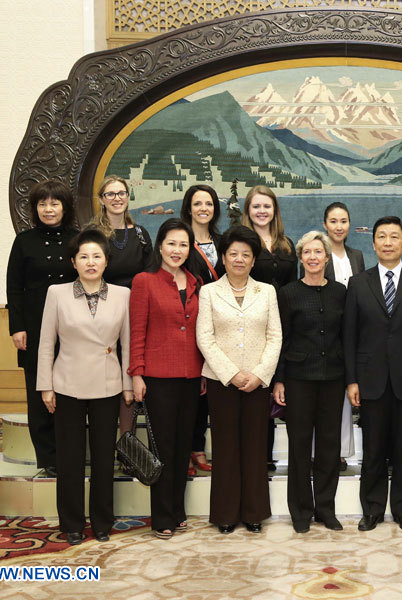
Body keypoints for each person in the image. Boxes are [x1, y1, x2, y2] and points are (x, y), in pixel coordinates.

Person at [36, 228, 132, 545]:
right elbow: (47, 343)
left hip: (108, 383)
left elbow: (127, 346)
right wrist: (45, 385)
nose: (91, 262)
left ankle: (102, 522)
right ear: (73, 262)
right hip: (67, 383)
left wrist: (128, 385)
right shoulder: (57, 293)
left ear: (106, 261)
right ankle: (72, 523)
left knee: (105, 458)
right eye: (84, 256)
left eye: (97, 256)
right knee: (70, 459)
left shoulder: (122, 295)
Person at [343, 216, 402, 532]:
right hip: (370, 381)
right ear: (373, 244)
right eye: (381, 236)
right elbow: (350, 337)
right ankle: (371, 510)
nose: (387, 242)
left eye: (393, 237)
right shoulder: (358, 283)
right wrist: (352, 380)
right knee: (374, 450)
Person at [196, 225, 281, 534]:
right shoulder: (209, 292)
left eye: (246, 254)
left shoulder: (267, 292)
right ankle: (225, 514)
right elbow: (205, 338)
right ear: (224, 257)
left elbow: (275, 337)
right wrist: (232, 374)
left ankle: (254, 512)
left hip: (258, 384)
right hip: (222, 383)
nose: (240, 259)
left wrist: (258, 375)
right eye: (234, 254)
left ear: (254, 260)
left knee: (255, 447)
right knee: (226, 447)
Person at [128, 219, 203, 540]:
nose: (177, 250)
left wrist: (203, 372)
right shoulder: (144, 281)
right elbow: (136, 331)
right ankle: (161, 516)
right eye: (171, 243)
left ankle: (178, 509)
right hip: (157, 377)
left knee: (183, 447)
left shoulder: (196, 281)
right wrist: (136, 373)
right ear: (160, 245)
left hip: (192, 376)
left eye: (183, 245)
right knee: (162, 449)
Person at [273, 231, 347, 533]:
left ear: (327, 258)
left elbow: (347, 336)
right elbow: (280, 339)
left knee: (330, 447)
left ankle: (326, 510)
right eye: (308, 252)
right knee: (300, 446)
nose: (313, 257)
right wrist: (278, 381)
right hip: (298, 379)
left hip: (333, 378)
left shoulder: (341, 292)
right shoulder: (288, 293)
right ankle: (301, 512)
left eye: (319, 252)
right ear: (301, 258)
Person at [6, 180, 79, 477]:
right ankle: (47, 458)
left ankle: (70, 453)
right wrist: (17, 327)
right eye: (42, 204)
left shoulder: (77, 239)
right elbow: (14, 287)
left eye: (54, 203)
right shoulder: (24, 241)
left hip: (71, 326)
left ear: (65, 207)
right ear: (35, 209)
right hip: (34, 326)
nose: (48, 209)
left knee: (69, 392)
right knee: (38, 392)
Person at [92, 175, 153, 438]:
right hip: (102, 311)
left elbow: (150, 273)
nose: (117, 198)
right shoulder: (92, 235)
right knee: (106, 372)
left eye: (121, 193)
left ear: (128, 197)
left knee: (131, 372)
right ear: (102, 200)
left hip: (135, 311)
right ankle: (103, 438)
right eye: (110, 194)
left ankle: (126, 442)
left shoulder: (140, 234)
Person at [242, 185, 295, 472]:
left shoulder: (286, 244)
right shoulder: (242, 243)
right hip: (253, 326)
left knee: (277, 388)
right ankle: (256, 456)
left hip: (283, 326)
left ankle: (269, 455)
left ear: (274, 210)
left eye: (267, 206)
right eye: (256, 206)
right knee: (257, 394)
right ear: (248, 210)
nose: (261, 211)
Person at [181, 184, 226, 475]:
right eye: (197, 203)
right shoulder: (180, 242)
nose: (203, 209)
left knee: (210, 390)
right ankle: (185, 449)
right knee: (190, 392)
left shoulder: (224, 242)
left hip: (221, 324)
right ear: (188, 207)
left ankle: (199, 449)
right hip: (189, 322)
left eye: (208, 203)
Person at [321, 202, 365, 471]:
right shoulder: (317, 253)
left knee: (346, 397)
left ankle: (339, 452)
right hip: (326, 333)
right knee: (325, 397)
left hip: (354, 333)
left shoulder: (357, 255)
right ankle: (321, 452)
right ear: (325, 224)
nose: (339, 226)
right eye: (333, 221)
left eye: (344, 221)